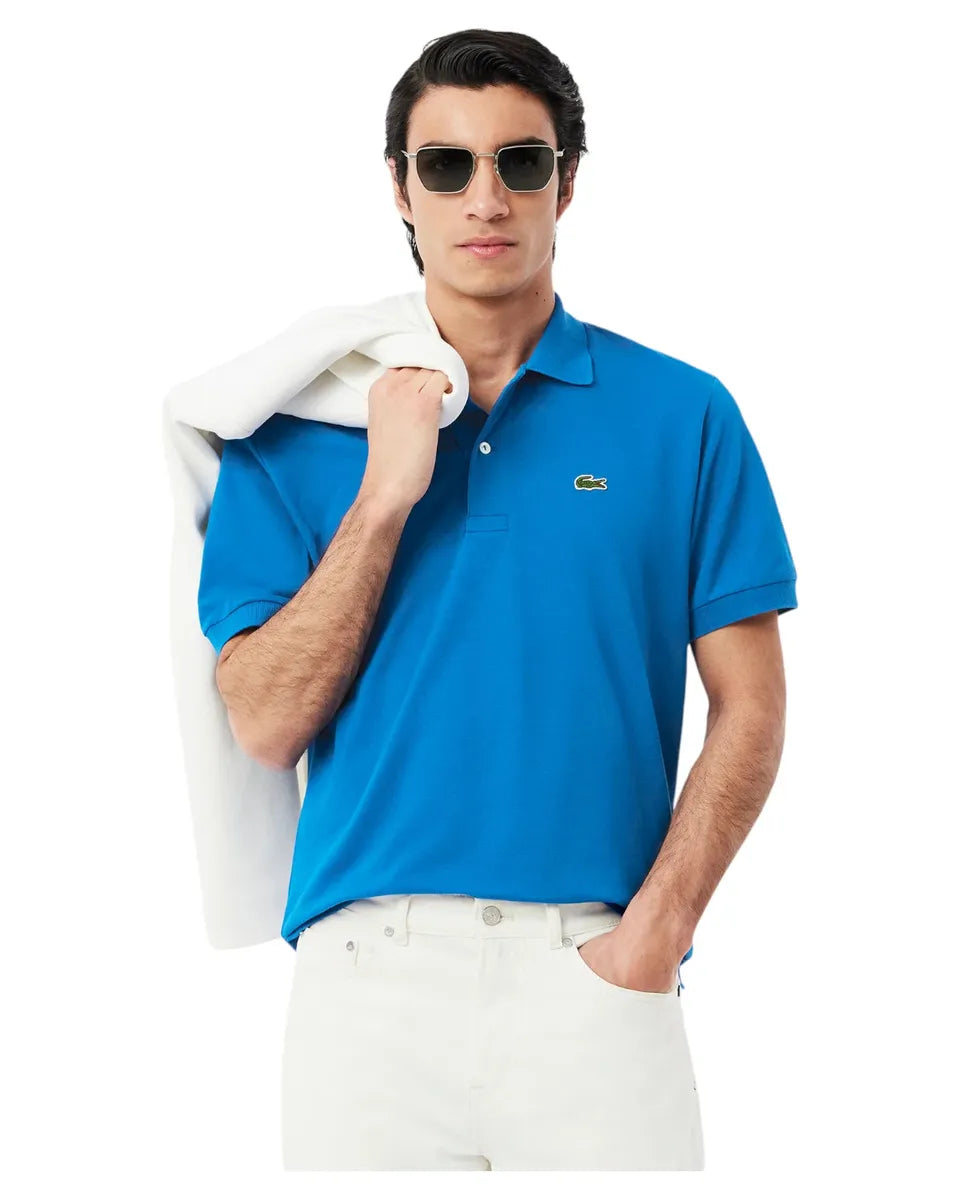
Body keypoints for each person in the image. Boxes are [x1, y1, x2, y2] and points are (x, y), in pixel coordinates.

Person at [196, 28, 798, 1171]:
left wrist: (655, 935)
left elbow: (753, 708)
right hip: (366, 986)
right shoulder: (289, 433)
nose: (486, 198)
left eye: (521, 162)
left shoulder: (683, 414)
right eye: (446, 165)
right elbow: (264, 721)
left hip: (598, 973)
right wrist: (384, 497)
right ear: (400, 187)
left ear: (566, 181)